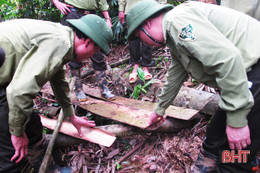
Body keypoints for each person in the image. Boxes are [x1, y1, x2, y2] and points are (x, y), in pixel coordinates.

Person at [126, 0, 260, 172]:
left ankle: (242, 164)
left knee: (235, 155)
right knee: (214, 136)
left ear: (147, 23)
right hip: (244, 73)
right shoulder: (173, 30)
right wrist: (160, 109)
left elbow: (228, 59)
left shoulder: (178, 23)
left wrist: (237, 123)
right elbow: (176, 73)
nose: (143, 44)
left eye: (139, 37)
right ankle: (216, 161)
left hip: (253, 68)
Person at [0, 14, 112, 173]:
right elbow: (20, 91)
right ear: (87, 42)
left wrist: (71, 115)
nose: (93, 56)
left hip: (4, 78)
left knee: (31, 123)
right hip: (5, 83)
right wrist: (17, 134)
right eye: (96, 50)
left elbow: (59, 81)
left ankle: (47, 168)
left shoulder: (63, 38)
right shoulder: (60, 43)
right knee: (8, 144)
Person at [52, 0, 116, 101]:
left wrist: (107, 18)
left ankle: (104, 88)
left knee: (97, 50)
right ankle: (78, 90)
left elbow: (101, 1)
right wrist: (57, 3)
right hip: (72, 13)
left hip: (91, 17)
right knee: (73, 52)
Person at [118, 0, 166, 83]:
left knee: (148, 36)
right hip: (131, 9)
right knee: (133, 39)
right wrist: (121, 10)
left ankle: (146, 66)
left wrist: (162, 5)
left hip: (149, 9)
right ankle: (135, 65)